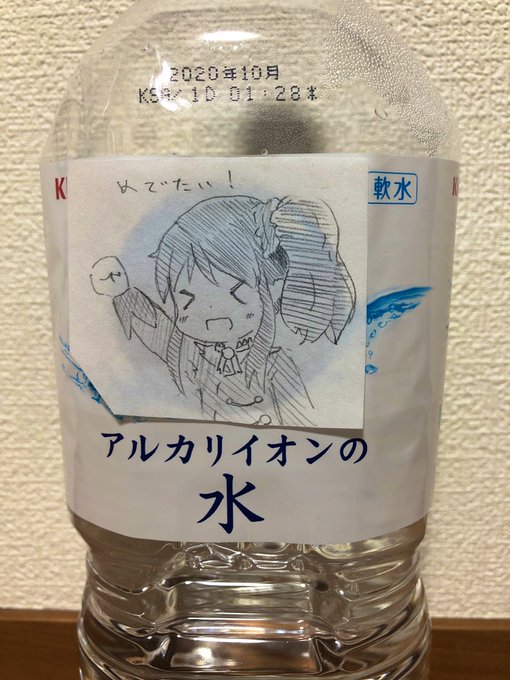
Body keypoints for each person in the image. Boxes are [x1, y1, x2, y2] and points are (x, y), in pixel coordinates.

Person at [91, 195, 356, 427]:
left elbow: (302, 421)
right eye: (187, 299)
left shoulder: (276, 365)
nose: (212, 315)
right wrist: (121, 292)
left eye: (236, 294)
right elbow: (155, 328)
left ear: (273, 288)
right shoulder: (186, 350)